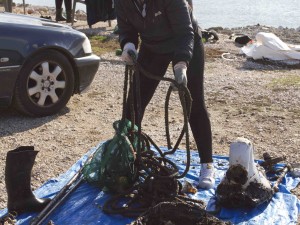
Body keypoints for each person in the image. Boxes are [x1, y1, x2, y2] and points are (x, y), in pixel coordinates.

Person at [115, 0, 215, 189]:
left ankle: (207, 164)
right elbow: (126, 28)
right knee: (133, 104)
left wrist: (181, 65)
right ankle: (129, 158)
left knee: (193, 104)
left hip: (185, 42)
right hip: (152, 48)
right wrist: (128, 45)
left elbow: (185, 33)